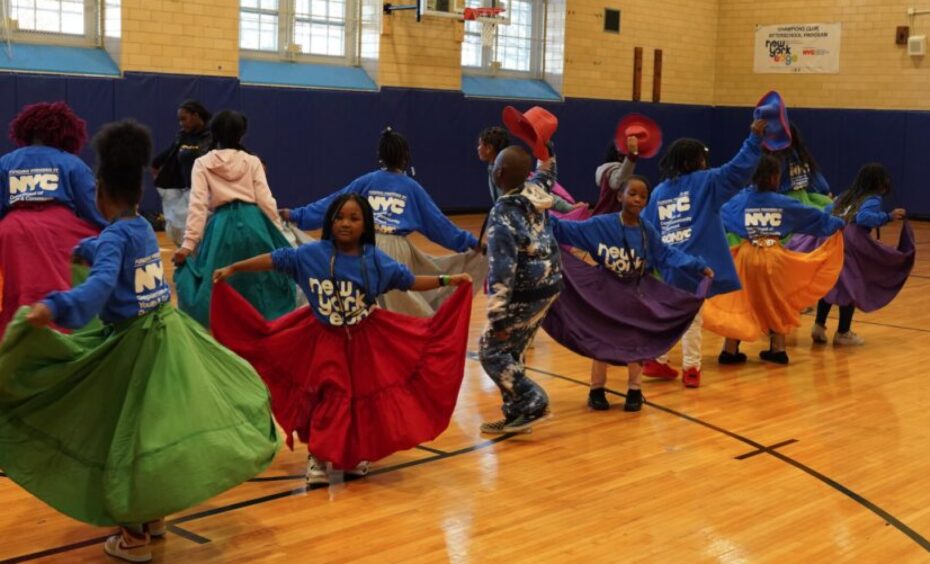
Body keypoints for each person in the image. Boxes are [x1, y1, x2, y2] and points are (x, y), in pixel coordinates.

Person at [0, 120, 279, 563]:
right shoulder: (143, 229)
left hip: (134, 347)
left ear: (99, 194)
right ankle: (152, 516)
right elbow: (119, 254)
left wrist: (54, 307)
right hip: (166, 335)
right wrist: (86, 252)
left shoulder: (115, 236)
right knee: (151, 431)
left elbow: (98, 289)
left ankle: (133, 536)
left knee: (124, 434)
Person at [211, 193, 473, 485]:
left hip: (363, 340)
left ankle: (351, 455)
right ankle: (319, 457)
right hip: (319, 338)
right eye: (339, 217)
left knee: (358, 400)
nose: (345, 224)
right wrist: (234, 268)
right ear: (329, 221)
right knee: (325, 396)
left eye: (354, 218)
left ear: (365, 225)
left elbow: (409, 281)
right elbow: (275, 259)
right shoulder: (310, 255)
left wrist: (449, 280)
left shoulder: (374, 260)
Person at [546, 174, 712, 411]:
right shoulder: (601, 225)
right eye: (632, 194)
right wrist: (540, 214)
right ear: (619, 196)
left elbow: (667, 254)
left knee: (637, 342)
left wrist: (697, 265)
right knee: (602, 340)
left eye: (643, 196)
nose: (637, 199)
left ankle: (635, 390)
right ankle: (597, 389)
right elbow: (565, 230)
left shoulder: (648, 231)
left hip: (635, 293)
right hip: (605, 294)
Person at [282, 128, 485, 317]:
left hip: (363, 244)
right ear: (405, 157)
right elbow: (439, 225)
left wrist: (297, 215)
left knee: (356, 300)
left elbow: (332, 203)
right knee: (401, 308)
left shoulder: (366, 181)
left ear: (380, 156)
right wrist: (470, 242)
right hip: (397, 248)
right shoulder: (411, 187)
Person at [641, 118, 765, 387]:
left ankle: (657, 359)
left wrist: (647, 264)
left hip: (671, 264)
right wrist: (754, 140)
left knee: (671, 312)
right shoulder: (706, 181)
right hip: (698, 267)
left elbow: (646, 228)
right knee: (692, 317)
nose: (705, 162)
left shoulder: (660, 191)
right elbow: (737, 170)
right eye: (701, 158)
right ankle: (691, 368)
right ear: (693, 161)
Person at [704, 154, 845, 364]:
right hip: (775, 258)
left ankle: (730, 350)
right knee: (777, 301)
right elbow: (812, 217)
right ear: (774, 177)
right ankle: (778, 349)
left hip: (746, 256)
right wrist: (837, 221)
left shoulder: (740, 200)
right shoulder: (783, 202)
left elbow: (717, 214)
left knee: (741, 300)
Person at [173, 110, 295, 328]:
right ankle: (260, 331)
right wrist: (277, 231)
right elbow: (266, 200)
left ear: (214, 133)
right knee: (261, 282)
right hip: (254, 222)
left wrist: (189, 244)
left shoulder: (202, 163)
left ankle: (227, 333)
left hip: (220, 227)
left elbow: (197, 205)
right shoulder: (252, 161)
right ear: (242, 135)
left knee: (219, 284)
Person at [0, 101, 107, 337]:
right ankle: (61, 331)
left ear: (24, 131)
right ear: (66, 133)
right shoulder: (72, 163)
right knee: (60, 282)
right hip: (59, 230)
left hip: (11, 231)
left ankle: (13, 338)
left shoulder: (6, 162)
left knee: (13, 291)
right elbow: (92, 209)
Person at [479, 143, 563, 433]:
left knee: (491, 349)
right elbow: (548, 170)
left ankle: (532, 399)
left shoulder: (501, 213)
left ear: (498, 172)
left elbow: (501, 270)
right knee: (512, 349)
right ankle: (519, 412)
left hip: (527, 289)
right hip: (550, 283)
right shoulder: (536, 190)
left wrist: (498, 317)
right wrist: (546, 145)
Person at [810, 163, 909, 346]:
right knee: (851, 286)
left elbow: (827, 211)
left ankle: (819, 325)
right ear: (879, 182)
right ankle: (843, 332)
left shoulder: (845, 195)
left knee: (831, 283)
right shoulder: (872, 198)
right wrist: (887, 217)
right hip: (851, 245)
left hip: (832, 240)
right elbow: (864, 218)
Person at [151, 99, 212, 246]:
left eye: (184, 119)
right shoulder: (182, 136)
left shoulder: (213, 137)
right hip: (186, 189)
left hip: (207, 192)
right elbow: (169, 153)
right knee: (177, 228)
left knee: (203, 232)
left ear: (196, 116)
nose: (181, 123)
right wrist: (156, 166)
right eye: (179, 120)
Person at [768, 123, 832, 210]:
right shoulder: (802, 156)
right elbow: (823, 186)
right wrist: (825, 193)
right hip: (793, 200)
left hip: (796, 198)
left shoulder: (776, 158)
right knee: (829, 205)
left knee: (827, 203)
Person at [592, 137, 639, 216]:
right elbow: (618, 182)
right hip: (607, 220)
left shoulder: (606, 171)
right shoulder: (611, 171)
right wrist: (632, 156)